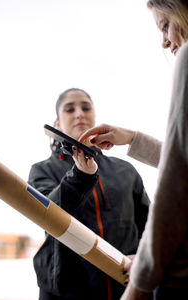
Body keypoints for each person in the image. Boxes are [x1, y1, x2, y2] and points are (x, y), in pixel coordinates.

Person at [79, 1, 188, 299]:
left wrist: (140, 280)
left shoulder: (187, 59)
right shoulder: (44, 170)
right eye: (71, 109)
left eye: (165, 24)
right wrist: (132, 138)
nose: (165, 42)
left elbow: (176, 184)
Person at [28, 88, 150, 300]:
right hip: (66, 292)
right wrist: (80, 176)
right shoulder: (42, 170)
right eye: (69, 109)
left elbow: (150, 224)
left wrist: (144, 257)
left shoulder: (126, 170)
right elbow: (46, 214)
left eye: (86, 107)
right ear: (57, 124)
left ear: (94, 117)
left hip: (127, 287)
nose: (79, 113)